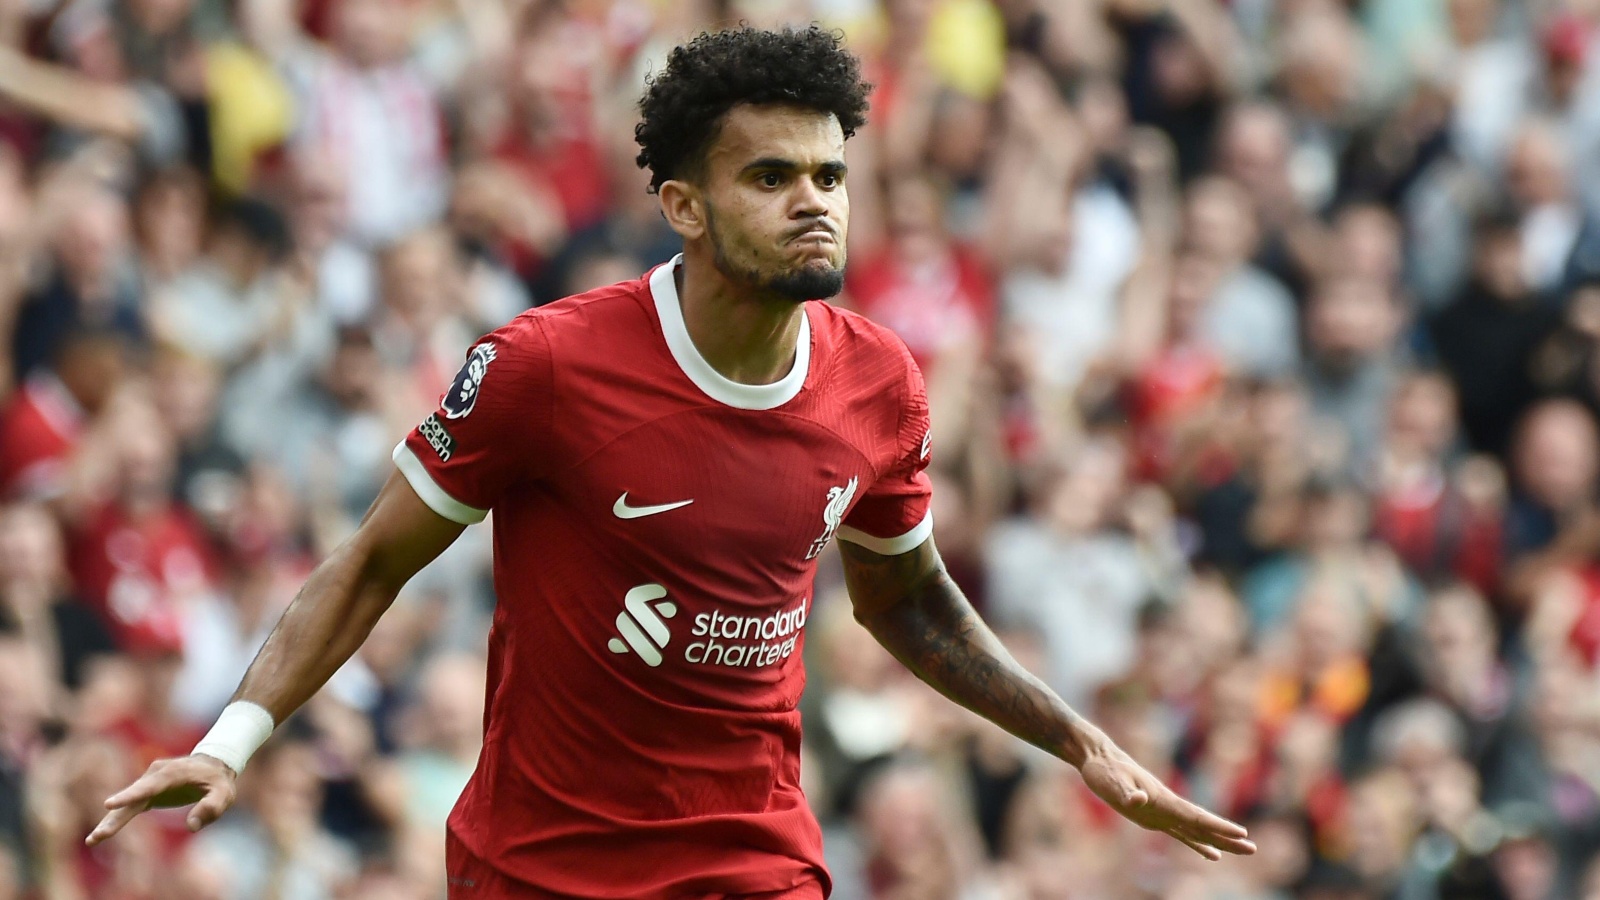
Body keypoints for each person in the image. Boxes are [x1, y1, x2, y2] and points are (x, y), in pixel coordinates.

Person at [82, 26, 1255, 898]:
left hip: (751, 859)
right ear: (684, 207)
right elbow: (370, 563)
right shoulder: (546, 366)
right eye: (773, 178)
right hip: (540, 866)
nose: (815, 203)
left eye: (831, 177)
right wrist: (232, 739)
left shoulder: (881, 383)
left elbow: (910, 602)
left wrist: (1081, 741)